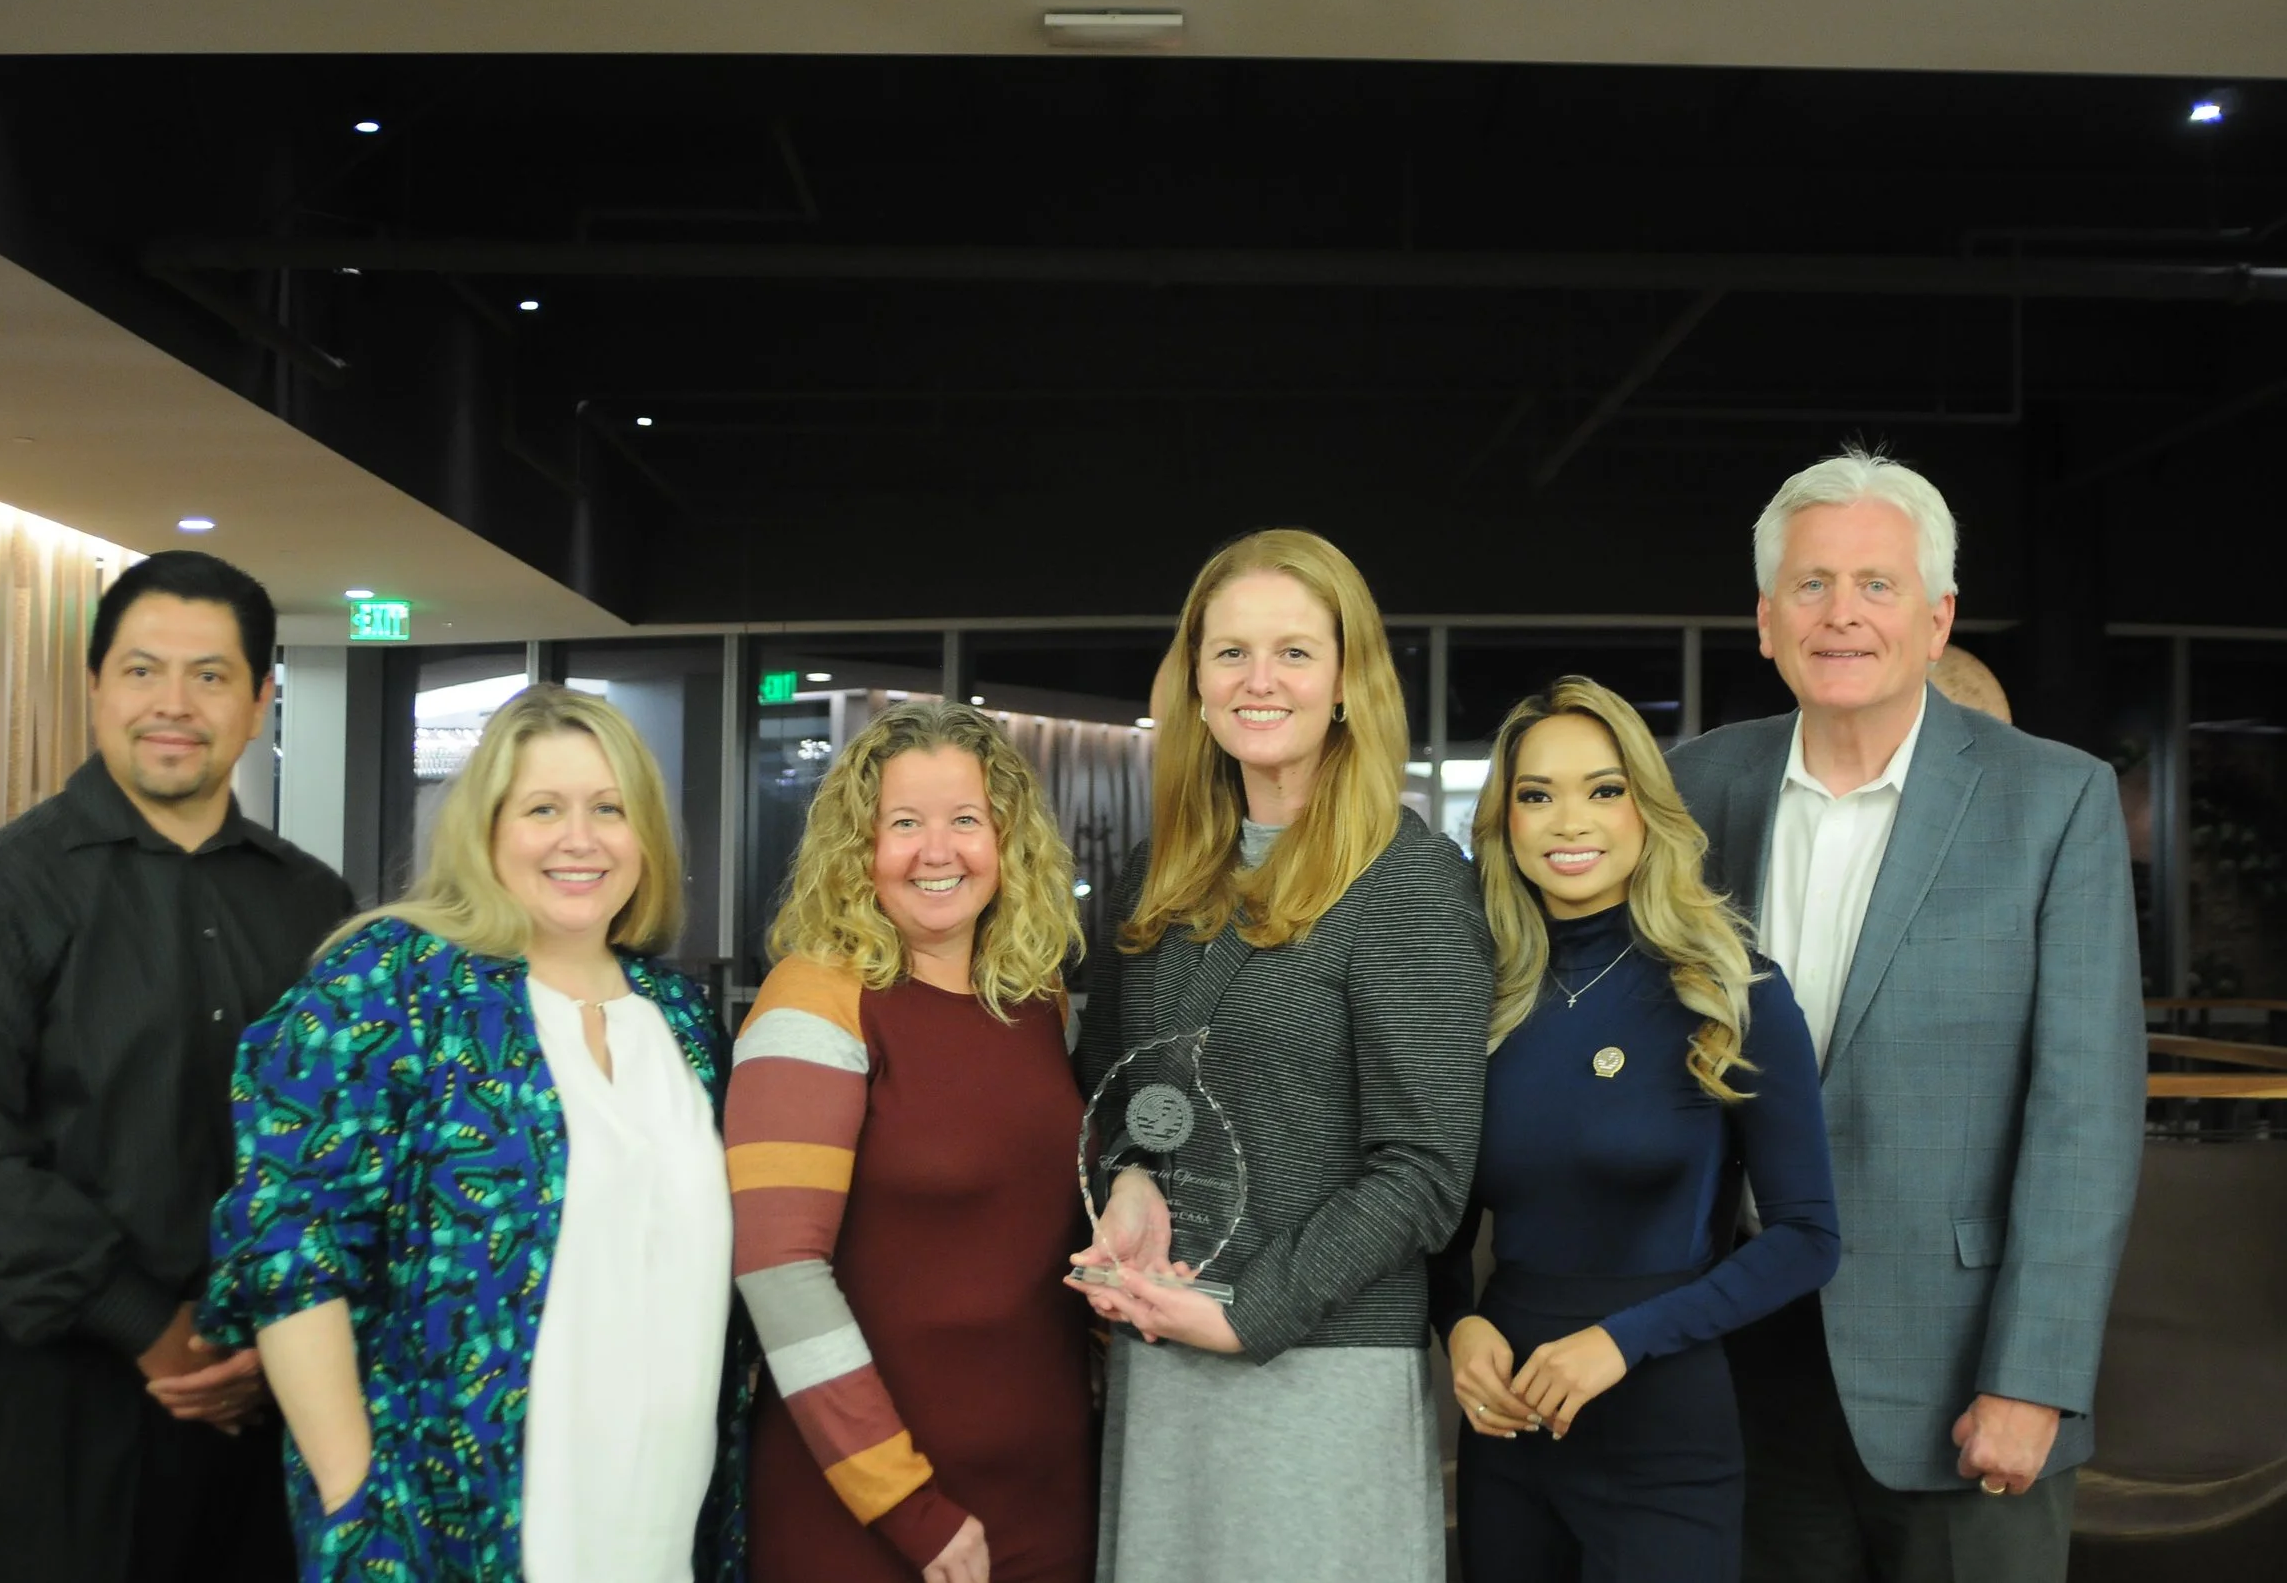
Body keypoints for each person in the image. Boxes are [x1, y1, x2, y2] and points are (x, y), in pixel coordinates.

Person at [1669, 450, 2143, 1581]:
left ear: (1935, 621)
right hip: (1734, 1350)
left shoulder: (2054, 798)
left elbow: (2085, 1113)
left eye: (1876, 585)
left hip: (1960, 1371)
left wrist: (2033, 1375)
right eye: (1812, 584)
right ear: (1764, 619)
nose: (1842, 615)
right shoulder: (1687, 787)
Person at [200, 685, 747, 1583]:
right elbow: (284, 1242)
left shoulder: (680, 1020)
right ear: (485, 830)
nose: (581, 838)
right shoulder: (393, 987)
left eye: (609, 809)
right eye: (543, 808)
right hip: (451, 1528)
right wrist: (352, 1500)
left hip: (660, 1522)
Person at [0, 550, 355, 1583]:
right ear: (94, 685)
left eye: (211, 675)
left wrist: (270, 1341)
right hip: (48, 1401)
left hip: (272, 1401)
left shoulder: (318, 907)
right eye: (142, 670)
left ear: (260, 698)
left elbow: (346, 1145)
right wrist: (152, 1327)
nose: (172, 704)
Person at [1067, 528, 1494, 1583]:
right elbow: (1122, 1080)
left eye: (1295, 651)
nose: (1260, 680)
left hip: (1320, 1361)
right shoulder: (1157, 874)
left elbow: (1426, 1173)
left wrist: (1246, 1315)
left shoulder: (1409, 884)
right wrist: (1126, 1180)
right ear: (1195, 681)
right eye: (1230, 652)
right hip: (1165, 1342)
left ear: (1347, 681)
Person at [1429, 677, 1839, 1582]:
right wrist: (1457, 1324)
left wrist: (1622, 1340)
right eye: (1537, 795)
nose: (1569, 821)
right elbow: (1437, 1225)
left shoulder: (1736, 994)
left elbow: (1808, 1239)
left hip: (1665, 1435)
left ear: (1647, 810)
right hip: (1508, 1432)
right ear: (1504, 823)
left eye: (1603, 790)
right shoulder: (1476, 997)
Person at [728, 701, 1094, 1583]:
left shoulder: (1034, 1000)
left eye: (966, 820)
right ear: (859, 850)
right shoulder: (814, 998)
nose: (939, 852)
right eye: (904, 824)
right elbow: (779, 1273)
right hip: (864, 1515)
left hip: (1047, 1494)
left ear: (1005, 841)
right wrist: (904, 1505)